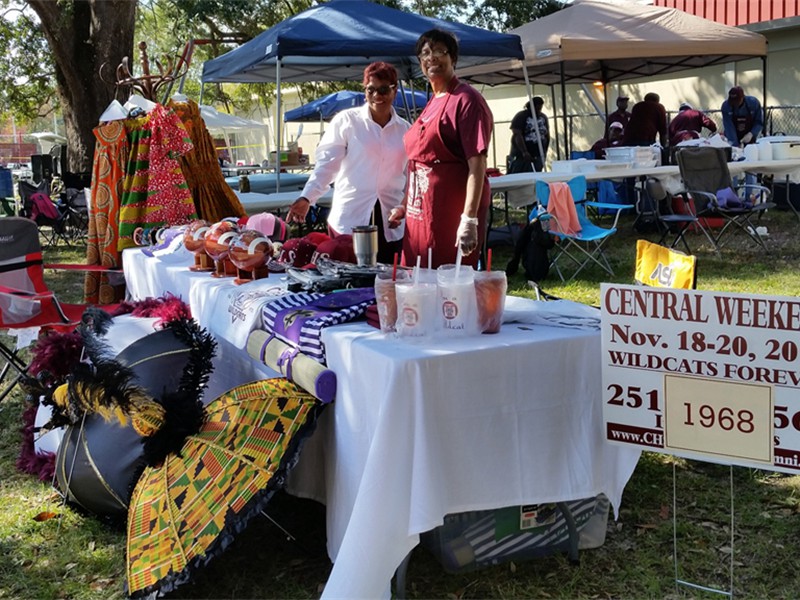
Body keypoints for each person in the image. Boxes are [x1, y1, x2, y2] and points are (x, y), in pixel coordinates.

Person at [286, 62, 410, 264]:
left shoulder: (406, 130)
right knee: (347, 286)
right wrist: (307, 197)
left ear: (394, 91)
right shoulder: (347, 121)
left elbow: (411, 177)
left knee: (387, 284)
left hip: (391, 220)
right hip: (350, 218)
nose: (377, 96)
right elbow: (327, 164)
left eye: (383, 89)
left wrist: (403, 208)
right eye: (371, 90)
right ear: (365, 92)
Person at [392, 28, 493, 269]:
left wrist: (469, 219)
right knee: (417, 284)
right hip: (420, 215)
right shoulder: (431, 103)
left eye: (439, 51)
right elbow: (418, 162)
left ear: (453, 58)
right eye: (426, 53)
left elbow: (477, 164)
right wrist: (405, 205)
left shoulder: (466, 100)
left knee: (448, 289)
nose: (432, 58)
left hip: (448, 214)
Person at [507, 97, 549, 173]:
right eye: (536, 108)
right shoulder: (521, 116)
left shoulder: (543, 117)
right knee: (518, 174)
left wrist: (545, 151)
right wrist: (524, 151)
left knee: (536, 174)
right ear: (530, 107)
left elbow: (547, 135)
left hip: (538, 153)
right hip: (520, 155)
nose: (538, 111)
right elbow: (517, 134)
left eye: (540, 108)